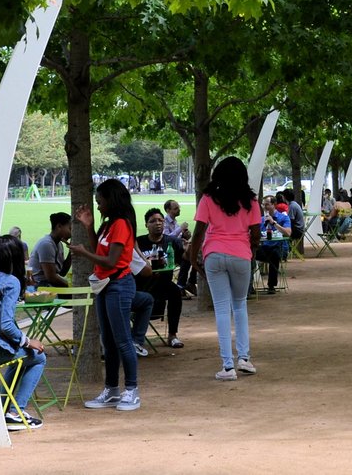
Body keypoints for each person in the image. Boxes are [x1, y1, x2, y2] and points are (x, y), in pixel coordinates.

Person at [188, 156, 261, 380]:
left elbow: (199, 231)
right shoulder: (251, 200)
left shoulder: (209, 198)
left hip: (214, 255)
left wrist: (192, 257)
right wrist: (250, 253)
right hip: (241, 254)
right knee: (239, 306)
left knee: (221, 309)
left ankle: (227, 366)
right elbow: (256, 235)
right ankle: (244, 359)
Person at [72, 178, 141, 412]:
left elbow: (111, 261)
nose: (98, 206)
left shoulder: (121, 224)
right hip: (104, 285)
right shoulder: (110, 224)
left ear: (111, 200)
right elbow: (99, 249)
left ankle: (131, 390)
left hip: (118, 285)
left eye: (100, 202)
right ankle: (111, 390)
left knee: (122, 340)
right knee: (108, 343)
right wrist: (89, 227)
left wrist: (83, 253)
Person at [0, 235, 46, 430]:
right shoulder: (10, 282)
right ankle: (16, 412)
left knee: (20, 360)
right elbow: (5, 325)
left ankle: (3, 408)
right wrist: (26, 341)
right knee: (38, 357)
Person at [135, 208, 184, 347]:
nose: (158, 223)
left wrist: (188, 251)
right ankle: (135, 336)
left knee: (175, 292)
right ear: (146, 225)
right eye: (153, 221)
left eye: (160, 220)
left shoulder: (172, 242)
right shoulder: (139, 242)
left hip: (163, 283)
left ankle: (172, 335)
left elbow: (182, 260)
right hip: (142, 284)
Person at [254, 195, 291, 294]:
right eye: (263, 205)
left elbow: (288, 233)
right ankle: (249, 287)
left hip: (279, 249)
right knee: (249, 254)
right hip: (263, 248)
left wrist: (273, 223)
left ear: (274, 205)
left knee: (274, 254)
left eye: (267, 205)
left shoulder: (283, 218)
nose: (265, 207)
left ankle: (271, 285)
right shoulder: (261, 219)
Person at [29, 213, 73, 288]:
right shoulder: (46, 244)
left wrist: (71, 251)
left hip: (50, 284)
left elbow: (62, 273)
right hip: (40, 285)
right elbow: (51, 277)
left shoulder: (58, 244)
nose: (72, 233)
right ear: (59, 226)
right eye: (70, 229)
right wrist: (72, 287)